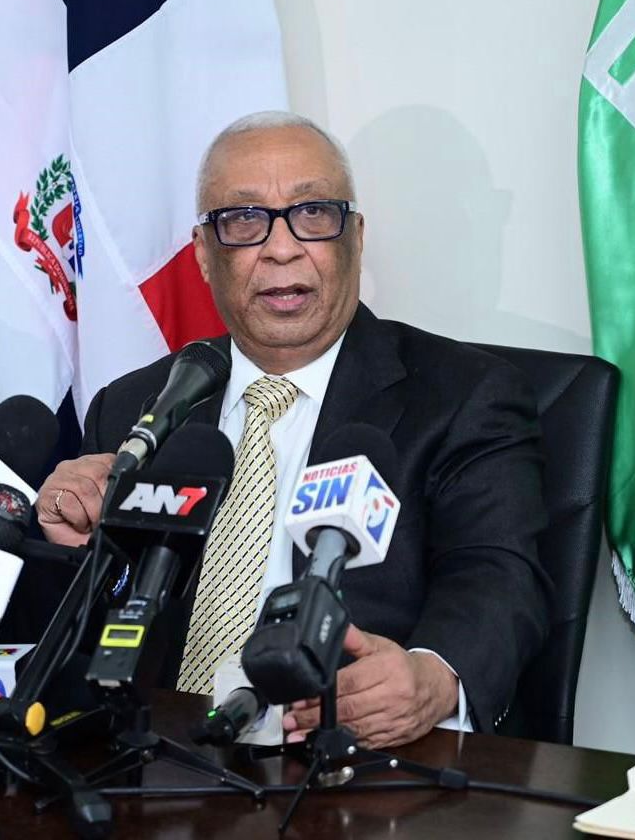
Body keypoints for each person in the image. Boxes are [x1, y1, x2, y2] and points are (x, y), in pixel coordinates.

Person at [36, 111, 551, 748]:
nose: (282, 248)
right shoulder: (134, 407)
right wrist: (73, 543)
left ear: (355, 237)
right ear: (204, 255)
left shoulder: (463, 395)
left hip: (347, 755)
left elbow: (499, 576)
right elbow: (81, 630)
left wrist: (433, 675)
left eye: (313, 213)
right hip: (152, 751)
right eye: (244, 220)